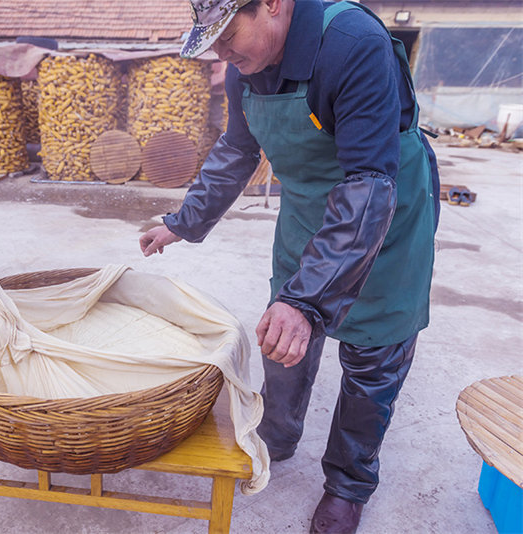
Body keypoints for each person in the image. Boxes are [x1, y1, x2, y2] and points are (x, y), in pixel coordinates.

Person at [139, 0, 439, 532]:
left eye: (228, 35)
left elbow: (369, 182)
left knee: (373, 358)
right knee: (283, 339)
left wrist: (307, 300)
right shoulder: (246, 67)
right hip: (308, 213)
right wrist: (183, 222)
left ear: (273, 5)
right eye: (213, 41)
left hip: (384, 212)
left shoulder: (350, 43)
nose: (222, 53)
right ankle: (277, 434)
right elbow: (237, 149)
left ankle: (348, 484)